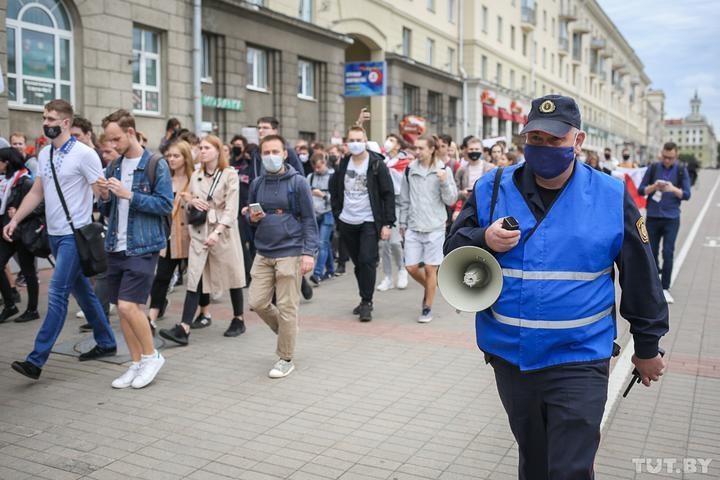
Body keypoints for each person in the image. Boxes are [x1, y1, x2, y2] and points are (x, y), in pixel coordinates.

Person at [445, 94, 668, 480]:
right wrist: (483, 238)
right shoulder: (491, 188)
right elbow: (452, 249)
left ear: (577, 141)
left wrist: (647, 347)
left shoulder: (611, 196)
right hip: (511, 357)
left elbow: (641, 277)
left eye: (555, 140)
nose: (544, 148)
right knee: (534, 460)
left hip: (579, 358)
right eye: (536, 140)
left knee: (568, 468)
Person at [5, 99, 117, 380]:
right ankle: (106, 341)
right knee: (83, 293)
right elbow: (37, 192)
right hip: (53, 236)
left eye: (51, 119)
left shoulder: (85, 154)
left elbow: (100, 195)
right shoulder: (45, 154)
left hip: (74, 236)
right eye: (44, 118)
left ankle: (36, 359)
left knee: (56, 294)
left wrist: (105, 192)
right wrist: (15, 219)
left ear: (65, 123)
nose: (46, 123)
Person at [98, 109, 173, 389]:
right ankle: (136, 362)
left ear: (130, 132)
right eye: (109, 141)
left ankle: (152, 356)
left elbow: (166, 205)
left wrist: (130, 195)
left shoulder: (155, 163)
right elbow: (108, 209)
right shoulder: (114, 166)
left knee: (130, 306)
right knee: (122, 308)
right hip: (115, 245)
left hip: (143, 244)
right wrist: (103, 195)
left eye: (116, 139)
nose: (113, 146)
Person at [159, 135, 247, 345]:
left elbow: (231, 208)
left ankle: (238, 318)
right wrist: (192, 201)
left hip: (223, 231)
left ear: (218, 151)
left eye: (207, 147)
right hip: (199, 231)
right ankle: (184, 328)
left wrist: (217, 232)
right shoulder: (196, 174)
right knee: (194, 276)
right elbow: (188, 199)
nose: (202, 151)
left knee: (232, 274)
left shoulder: (229, 174)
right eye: (200, 148)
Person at [247, 134, 318, 378]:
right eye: (266, 153)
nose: (270, 157)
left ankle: (285, 358)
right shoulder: (257, 183)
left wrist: (309, 252)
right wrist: (252, 217)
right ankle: (289, 331)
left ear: (285, 154)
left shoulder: (298, 182)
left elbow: (309, 218)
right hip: (264, 250)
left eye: (275, 152)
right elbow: (251, 216)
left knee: (288, 306)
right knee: (257, 302)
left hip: (291, 249)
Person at [329, 126, 395, 322]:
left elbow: (387, 194)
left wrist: (387, 223)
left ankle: (367, 302)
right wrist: (337, 214)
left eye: (359, 139)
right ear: (346, 142)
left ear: (365, 140)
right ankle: (363, 297)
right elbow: (335, 190)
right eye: (352, 139)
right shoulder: (343, 163)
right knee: (358, 263)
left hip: (369, 221)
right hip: (347, 221)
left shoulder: (376, 164)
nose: (355, 143)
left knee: (367, 260)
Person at [399, 136, 457, 323]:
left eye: (421, 148)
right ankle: (431, 288)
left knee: (431, 269)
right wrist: (402, 223)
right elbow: (404, 198)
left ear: (431, 149)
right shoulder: (410, 169)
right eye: (415, 147)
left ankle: (427, 307)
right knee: (411, 267)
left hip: (435, 227)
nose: (417, 151)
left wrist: (445, 181)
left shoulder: (443, 169)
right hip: (414, 226)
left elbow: (451, 200)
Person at [147, 141, 193, 330]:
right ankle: (152, 316)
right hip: (168, 236)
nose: (171, 159)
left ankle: (203, 312)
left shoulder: (194, 179)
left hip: (191, 237)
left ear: (186, 158)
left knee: (198, 278)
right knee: (161, 277)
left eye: (176, 156)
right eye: (169, 156)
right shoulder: (164, 178)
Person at [638, 142, 691, 304]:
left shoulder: (681, 170)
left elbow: (687, 195)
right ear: (661, 154)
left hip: (672, 218)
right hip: (653, 217)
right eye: (665, 157)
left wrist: (672, 189)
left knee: (668, 253)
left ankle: (665, 287)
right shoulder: (653, 168)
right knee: (651, 253)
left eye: (671, 158)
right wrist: (654, 186)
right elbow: (641, 190)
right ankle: (653, 286)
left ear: (676, 156)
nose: (667, 160)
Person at [0, 148, 41, 323]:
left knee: (28, 271)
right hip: (7, 232)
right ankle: (10, 305)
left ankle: (32, 309)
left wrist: (18, 213)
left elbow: (39, 206)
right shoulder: (4, 181)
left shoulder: (25, 181)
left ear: (6, 162)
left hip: (22, 233)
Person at [377, 134, 409, 292]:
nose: (388, 142)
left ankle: (402, 269)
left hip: (398, 201)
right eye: (387, 138)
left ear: (398, 145)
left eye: (392, 140)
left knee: (395, 241)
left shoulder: (405, 162)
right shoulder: (381, 160)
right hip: (383, 201)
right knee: (384, 244)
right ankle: (388, 277)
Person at [307, 154, 334, 284]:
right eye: (315, 167)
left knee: (322, 243)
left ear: (324, 163)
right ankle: (330, 270)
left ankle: (317, 274)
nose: (317, 170)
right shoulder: (310, 177)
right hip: (314, 213)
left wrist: (323, 195)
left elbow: (338, 197)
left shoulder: (333, 176)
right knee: (325, 243)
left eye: (319, 167)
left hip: (328, 213)